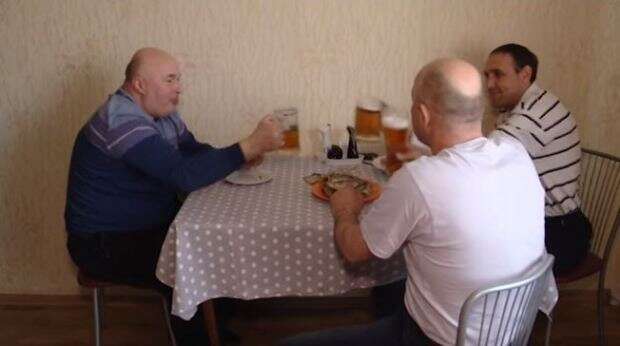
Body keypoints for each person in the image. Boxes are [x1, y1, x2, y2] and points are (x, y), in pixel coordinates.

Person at [280, 58, 548, 345]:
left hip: (436, 340)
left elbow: (355, 251)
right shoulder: (515, 152)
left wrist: (345, 209)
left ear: (422, 114)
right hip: (512, 332)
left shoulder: (420, 179)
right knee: (395, 284)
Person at [64, 47, 283, 345]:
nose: (179, 88)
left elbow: (193, 153)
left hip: (147, 227)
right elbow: (185, 176)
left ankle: (214, 331)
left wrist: (239, 157)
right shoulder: (121, 120)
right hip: (102, 242)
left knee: (217, 246)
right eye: (170, 80)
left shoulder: (162, 114)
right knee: (193, 264)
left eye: (178, 79)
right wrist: (246, 146)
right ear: (140, 84)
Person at [484, 43, 591, 274]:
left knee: (472, 253)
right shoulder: (530, 103)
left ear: (525, 74)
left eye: (498, 75)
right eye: (487, 75)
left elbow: (478, 163)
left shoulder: (534, 117)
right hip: (551, 224)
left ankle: (513, 309)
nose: (489, 84)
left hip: (559, 235)